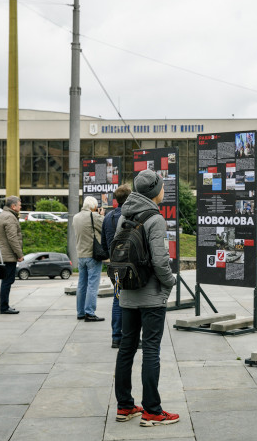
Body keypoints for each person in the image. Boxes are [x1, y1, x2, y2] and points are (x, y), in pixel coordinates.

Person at [114, 169, 179, 427]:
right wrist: (170, 283)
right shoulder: (155, 219)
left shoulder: (124, 216)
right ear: (155, 191)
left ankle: (125, 406)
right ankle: (152, 411)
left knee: (126, 350)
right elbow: (161, 261)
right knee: (151, 350)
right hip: (151, 297)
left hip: (127, 294)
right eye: (162, 187)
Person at [102, 185, 132, 348]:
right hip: (131, 266)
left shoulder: (108, 217)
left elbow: (104, 245)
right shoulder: (132, 216)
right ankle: (131, 337)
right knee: (134, 300)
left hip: (115, 266)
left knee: (117, 298)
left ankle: (116, 337)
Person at [73, 196, 105, 322]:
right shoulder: (94, 216)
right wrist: (101, 215)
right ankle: (90, 313)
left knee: (82, 284)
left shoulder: (76, 217)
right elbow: (104, 227)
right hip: (93, 255)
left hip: (80, 255)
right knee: (93, 285)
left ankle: (80, 312)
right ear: (93, 207)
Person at [0, 196, 24, 314]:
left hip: (4, 254)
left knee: (6, 281)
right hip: (8, 255)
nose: (20, 206)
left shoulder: (3, 215)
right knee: (7, 281)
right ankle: (4, 307)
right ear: (13, 206)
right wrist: (19, 254)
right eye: (19, 204)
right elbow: (13, 238)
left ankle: (4, 306)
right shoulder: (9, 217)